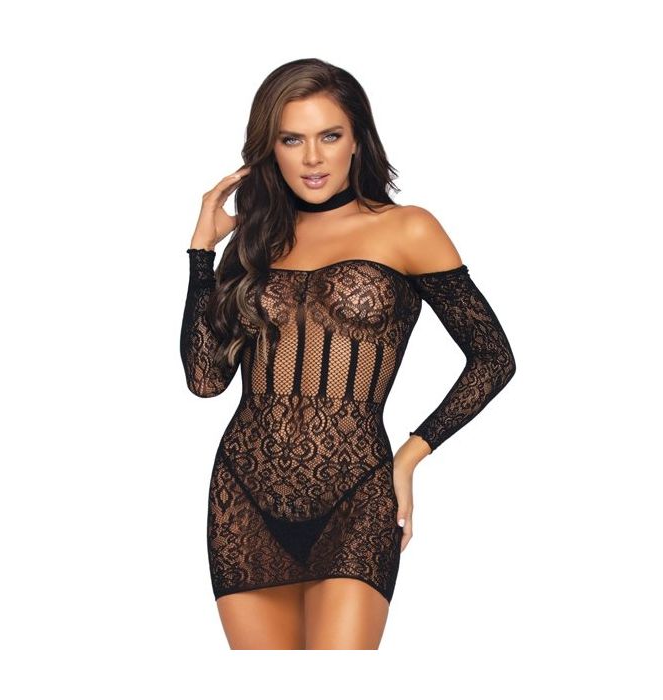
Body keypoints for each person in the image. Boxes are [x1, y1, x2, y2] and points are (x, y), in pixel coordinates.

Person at [180, 58, 516, 649]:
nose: (313, 158)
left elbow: (493, 357)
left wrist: (410, 456)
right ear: (270, 149)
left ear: (357, 139)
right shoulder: (255, 242)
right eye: (292, 139)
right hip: (243, 496)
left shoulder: (407, 229)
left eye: (330, 136)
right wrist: (202, 255)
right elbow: (205, 380)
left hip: (356, 495)